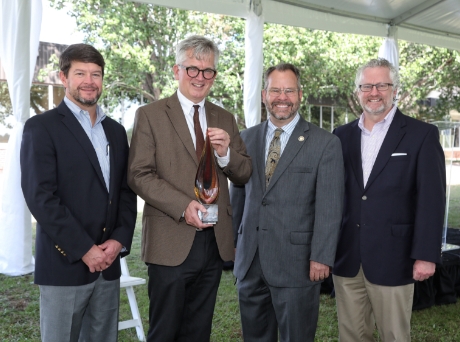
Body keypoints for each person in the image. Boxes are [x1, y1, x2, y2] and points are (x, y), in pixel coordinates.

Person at [127, 35, 252, 342]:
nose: (200, 77)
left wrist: (225, 155)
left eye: (207, 70)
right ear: (176, 70)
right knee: (164, 332)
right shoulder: (151, 115)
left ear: (214, 75)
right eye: (192, 69)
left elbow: (244, 172)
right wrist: (183, 206)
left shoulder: (225, 118)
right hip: (170, 241)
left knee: (198, 332)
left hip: (213, 242)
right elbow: (139, 175)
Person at [20, 44, 137, 342]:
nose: (89, 81)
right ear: (63, 77)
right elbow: (41, 197)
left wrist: (119, 239)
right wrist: (85, 249)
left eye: (96, 74)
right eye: (80, 73)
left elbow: (125, 191)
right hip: (65, 265)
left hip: (108, 265)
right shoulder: (41, 128)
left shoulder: (116, 131)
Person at [332, 58, 446, 341]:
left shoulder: (422, 135)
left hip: (395, 258)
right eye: (367, 86)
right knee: (351, 335)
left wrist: (426, 255)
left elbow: (432, 200)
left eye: (382, 85)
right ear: (358, 91)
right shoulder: (340, 136)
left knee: (394, 335)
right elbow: (333, 196)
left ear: (395, 90)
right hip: (347, 258)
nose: (374, 92)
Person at [230, 63, 344, 342]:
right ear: (264, 95)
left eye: (289, 90)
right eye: (276, 90)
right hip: (251, 261)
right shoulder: (245, 138)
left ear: (300, 94)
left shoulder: (325, 143)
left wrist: (322, 256)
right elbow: (238, 197)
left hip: (299, 264)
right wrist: (233, 247)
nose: (283, 97)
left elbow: (330, 206)